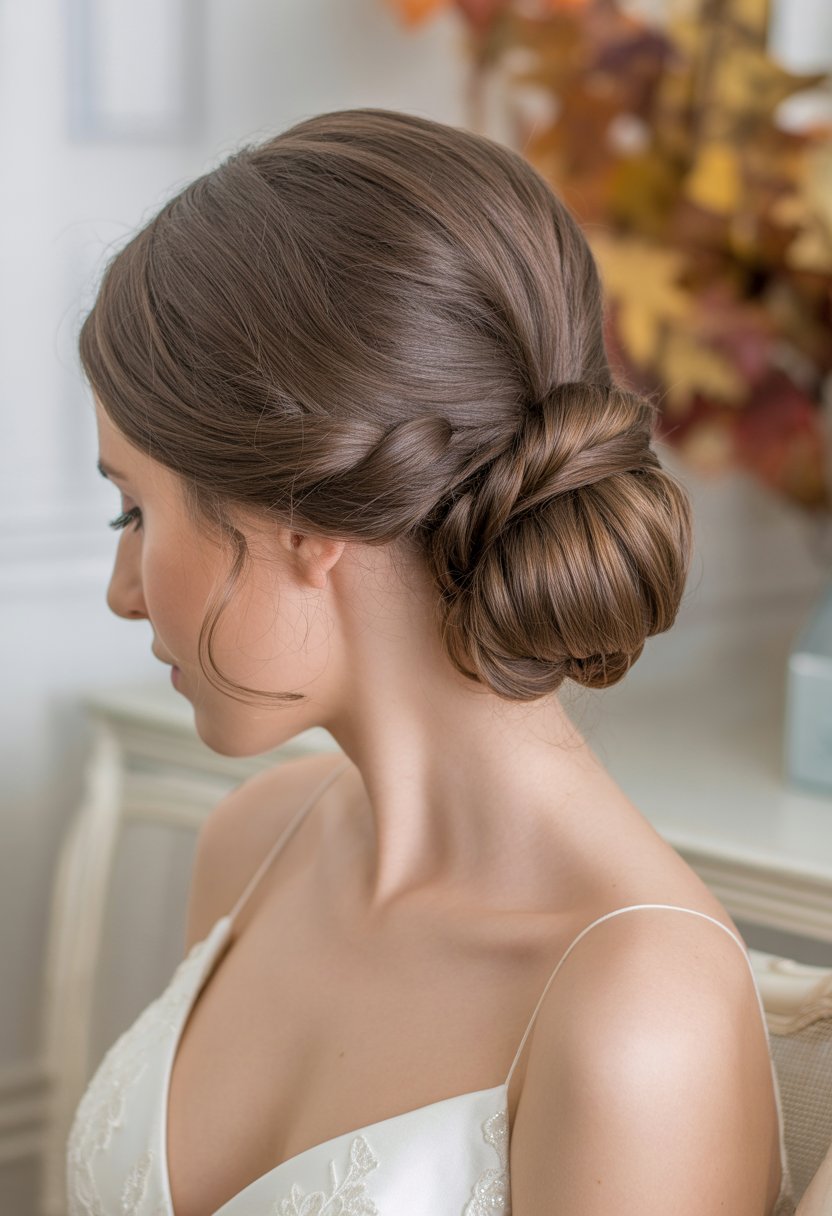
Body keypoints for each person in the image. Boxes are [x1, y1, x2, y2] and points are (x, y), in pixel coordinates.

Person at [66, 108, 795, 1216]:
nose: (125, 592)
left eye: (134, 510)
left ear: (300, 517)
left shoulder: (633, 1008)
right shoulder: (253, 844)